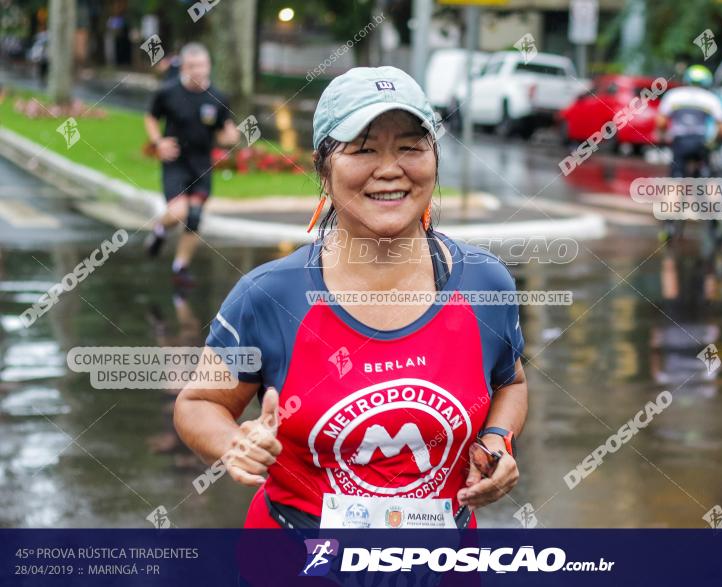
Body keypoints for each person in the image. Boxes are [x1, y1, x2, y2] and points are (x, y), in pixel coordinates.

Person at [174, 66, 528, 529]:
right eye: (363, 150)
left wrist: (498, 439)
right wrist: (235, 443)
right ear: (323, 167)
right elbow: (199, 403)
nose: (389, 169)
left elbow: (511, 383)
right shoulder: (270, 295)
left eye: (410, 147)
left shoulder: (486, 284)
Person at [144, 42, 238, 286]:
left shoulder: (218, 98)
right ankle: (159, 230)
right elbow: (151, 118)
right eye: (193, 66)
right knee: (178, 212)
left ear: (209, 66)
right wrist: (159, 142)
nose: (198, 70)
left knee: (194, 216)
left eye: (202, 65)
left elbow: (224, 132)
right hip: (175, 162)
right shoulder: (168, 92)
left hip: (201, 165)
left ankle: (180, 267)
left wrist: (230, 137)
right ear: (184, 67)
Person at [656, 64, 722, 243]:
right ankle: (715, 214)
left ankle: (670, 225)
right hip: (700, 143)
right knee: (708, 179)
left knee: (675, 181)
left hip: (680, 143)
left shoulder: (674, 96)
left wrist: (665, 135)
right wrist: (714, 143)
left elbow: (661, 122)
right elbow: (721, 129)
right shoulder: (711, 99)